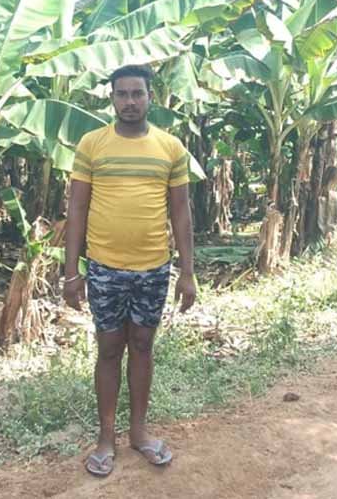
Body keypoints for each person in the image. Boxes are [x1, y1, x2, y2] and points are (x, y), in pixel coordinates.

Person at [63, 64, 196, 478]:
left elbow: (181, 212)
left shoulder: (170, 147)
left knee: (142, 345)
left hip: (153, 267)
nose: (130, 101)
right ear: (112, 99)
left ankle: (139, 432)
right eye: (122, 94)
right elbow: (77, 208)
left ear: (150, 98)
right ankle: (106, 438)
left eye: (137, 93)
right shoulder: (92, 144)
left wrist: (188, 272)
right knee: (108, 348)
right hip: (104, 267)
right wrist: (72, 272)